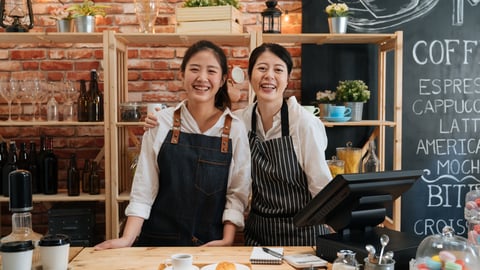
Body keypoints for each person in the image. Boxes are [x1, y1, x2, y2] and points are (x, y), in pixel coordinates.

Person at [143, 43, 332, 246]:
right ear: (250, 77)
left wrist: (341, 236)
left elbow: (321, 186)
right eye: (261, 68)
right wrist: (159, 121)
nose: (269, 75)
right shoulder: (242, 121)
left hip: (303, 236)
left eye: (278, 70)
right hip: (260, 235)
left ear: (287, 79)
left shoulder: (304, 123)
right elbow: (201, 118)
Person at [95, 40, 251, 249]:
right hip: (158, 243)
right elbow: (144, 186)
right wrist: (127, 239)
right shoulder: (161, 122)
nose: (202, 78)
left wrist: (227, 240)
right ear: (182, 74)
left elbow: (237, 192)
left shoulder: (235, 129)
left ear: (222, 80)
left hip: (210, 244)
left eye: (211, 71)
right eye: (194, 69)